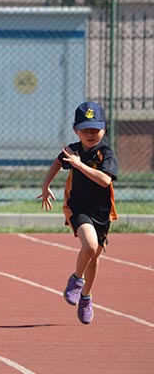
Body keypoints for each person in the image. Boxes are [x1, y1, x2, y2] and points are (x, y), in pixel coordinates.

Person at [38, 101, 118, 325]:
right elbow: (57, 161)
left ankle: (86, 297)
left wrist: (79, 165)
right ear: (76, 130)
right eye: (85, 129)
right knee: (90, 246)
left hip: (101, 212)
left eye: (95, 129)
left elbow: (105, 180)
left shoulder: (106, 153)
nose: (90, 134)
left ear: (104, 129)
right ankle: (76, 279)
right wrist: (46, 185)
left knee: (94, 258)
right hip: (77, 207)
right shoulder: (72, 150)